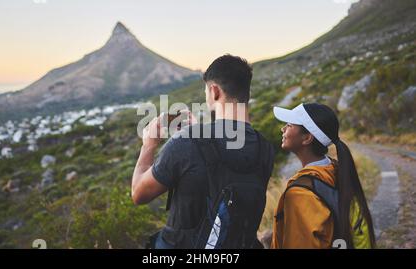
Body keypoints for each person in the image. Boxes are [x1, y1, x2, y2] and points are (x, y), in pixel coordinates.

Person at [131, 54, 275, 249]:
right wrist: (199, 133)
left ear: (214, 91)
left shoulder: (187, 141)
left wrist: (149, 144)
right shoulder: (265, 148)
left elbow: (139, 193)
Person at [270, 103, 375, 249]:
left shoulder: (301, 194)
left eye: (289, 125)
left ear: (307, 138)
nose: (283, 129)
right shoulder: (335, 169)